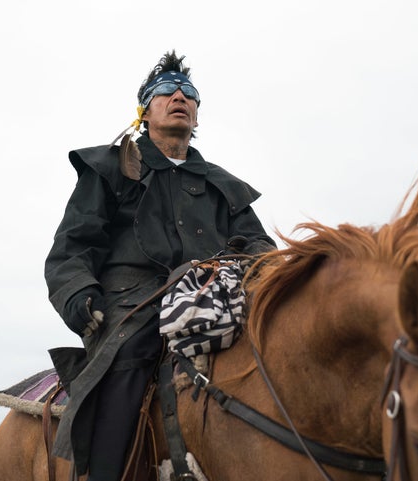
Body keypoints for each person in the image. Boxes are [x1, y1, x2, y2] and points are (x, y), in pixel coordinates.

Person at [44, 50, 276, 481]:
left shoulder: (223, 185)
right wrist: (77, 291)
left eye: (189, 92)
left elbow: (262, 246)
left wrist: (249, 263)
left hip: (215, 295)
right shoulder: (111, 167)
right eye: (165, 90)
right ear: (144, 111)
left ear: (197, 115)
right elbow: (74, 245)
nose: (179, 96)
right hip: (132, 305)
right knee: (129, 360)